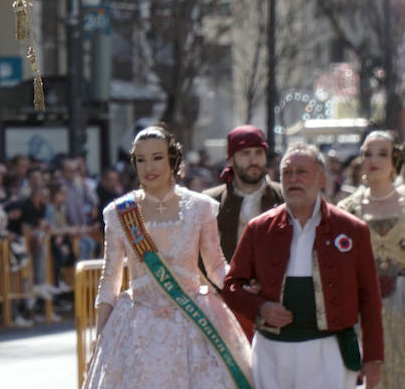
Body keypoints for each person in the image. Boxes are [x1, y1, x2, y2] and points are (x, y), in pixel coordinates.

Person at [83, 125, 252, 389]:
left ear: (173, 160)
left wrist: (241, 286)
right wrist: (99, 338)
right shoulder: (119, 213)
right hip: (136, 324)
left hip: (193, 321)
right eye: (141, 159)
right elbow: (110, 279)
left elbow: (216, 265)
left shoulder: (200, 207)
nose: (149, 166)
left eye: (157, 157)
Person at [224, 143, 384, 389]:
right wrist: (261, 308)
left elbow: (370, 298)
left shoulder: (352, 230)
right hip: (271, 355)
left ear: (321, 179)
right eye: (287, 172)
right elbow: (232, 286)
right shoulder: (259, 229)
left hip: (330, 354)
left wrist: (373, 358)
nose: (293, 179)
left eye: (302, 172)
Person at [337, 131, 404, 388]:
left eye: (382, 153)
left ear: (394, 160)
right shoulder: (347, 209)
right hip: (362, 311)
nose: (373, 159)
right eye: (367, 153)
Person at [205, 125, 284, 263]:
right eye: (245, 153)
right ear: (230, 159)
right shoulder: (210, 201)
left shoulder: (283, 197)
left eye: (259, 152)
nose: (253, 161)